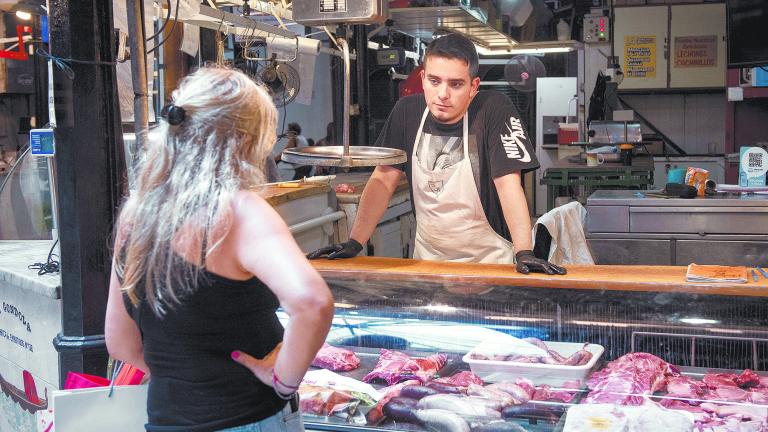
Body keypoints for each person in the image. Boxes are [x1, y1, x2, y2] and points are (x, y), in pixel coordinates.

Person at [105, 68, 334, 432]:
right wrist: (283, 381)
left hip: (166, 421)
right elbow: (312, 303)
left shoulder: (137, 213)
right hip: (247, 418)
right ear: (245, 140)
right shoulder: (238, 210)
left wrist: (189, 374)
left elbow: (120, 342)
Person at [308, 33, 566, 275]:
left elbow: (509, 186)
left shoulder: (493, 110)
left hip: (489, 262)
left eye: (456, 84)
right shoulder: (406, 112)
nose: (443, 94)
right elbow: (383, 180)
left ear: (473, 86)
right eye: (434, 81)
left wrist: (523, 251)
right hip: (427, 261)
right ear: (422, 79)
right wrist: (355, 242)